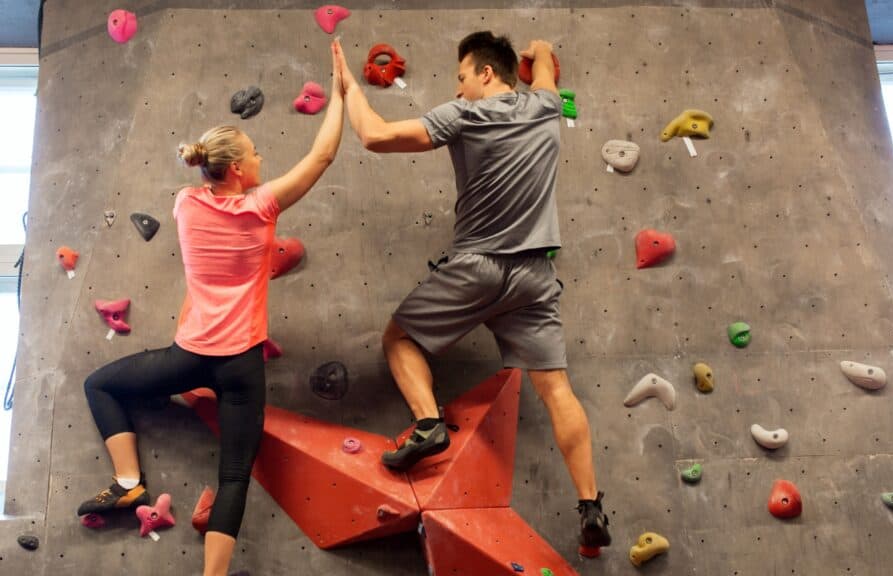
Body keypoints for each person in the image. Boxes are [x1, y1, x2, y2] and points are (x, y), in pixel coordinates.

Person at [77, 38, 347, 576]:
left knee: (99, 385)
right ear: (240, 172)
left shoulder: (184, 203)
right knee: (233, 478)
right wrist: (339, 92)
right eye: (254, 154)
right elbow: (322, 155)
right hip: (242, 366)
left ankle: (129, 483)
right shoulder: (261, 206)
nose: (261, 158)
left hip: (191, 359)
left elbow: (205, 185)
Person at [334, 31, 611, 550]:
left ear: (486, 73)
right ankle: (591, 503)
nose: (458, 90)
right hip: (535, 277)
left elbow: (375, 136)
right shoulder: (547, 107)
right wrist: (540, 50)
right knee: (556, 390)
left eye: (462, 77)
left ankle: (427, 425)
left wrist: (350, 87)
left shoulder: (465, 116)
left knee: (399, 338)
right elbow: (545, 61)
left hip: (477, 267)